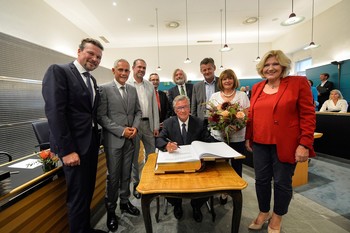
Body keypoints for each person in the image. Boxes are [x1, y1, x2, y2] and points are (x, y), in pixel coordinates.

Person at [245, 50, 316, 233]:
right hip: (260, 143)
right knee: (261, 181)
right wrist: (248, 137)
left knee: (282, 183)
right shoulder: (258, 87)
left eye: (275, 64)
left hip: (285, 144)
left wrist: (304, 144)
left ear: (283, 66)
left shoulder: (297, 83)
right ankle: (263, 212)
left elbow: (308, 115)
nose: (270, 68)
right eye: (266, 65)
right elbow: (252, 115)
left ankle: (277, 216)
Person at [42, 38, 106, 233]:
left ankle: (85, 229)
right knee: (77, 197)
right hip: (74, 148)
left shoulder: (91, 80)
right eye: (91, 53)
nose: (94, 59)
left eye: (98, 57)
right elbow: (55, 113)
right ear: (79, 52)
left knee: (87, 193)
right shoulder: (59, 71)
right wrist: (67, 150)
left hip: (90, 145)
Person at [97, 59, 142, 232]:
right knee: (113, 177)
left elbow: (138, 111)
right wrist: (122, 131)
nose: (124, 73)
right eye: (121, 70)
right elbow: (101, 117)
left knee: (126, 174)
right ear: (113, 70)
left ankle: (124, 202)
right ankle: (111, 211)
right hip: (114, 140)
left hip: (130, 139)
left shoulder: (132, 89)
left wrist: (135, 128)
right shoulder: (104, 89)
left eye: (126, 71)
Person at [156, 95, 213, 223]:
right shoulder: (168, 123)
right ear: (175, 110)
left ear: (189, 108)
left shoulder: (198, 122)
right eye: (179, 108)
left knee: (210, 182)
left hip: (197, 165)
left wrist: (222, 145)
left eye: (185, 107)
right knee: (166, 184)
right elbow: (159, 139)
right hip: (177, 164)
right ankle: (177, 204)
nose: (183, 110)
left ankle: (196, 205)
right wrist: (166, 145)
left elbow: (208, 139)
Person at [209, 69, 250, 204]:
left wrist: (236, 126)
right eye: (224, 79)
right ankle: (223, 191)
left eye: (230, 78)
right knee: (221, 166)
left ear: (234, 80)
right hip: (219, 138)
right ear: (220, 81)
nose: (227, 81)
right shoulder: (214, 96)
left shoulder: (242, 95)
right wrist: (221, 125)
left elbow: (247, 116)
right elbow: (211, 117)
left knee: (237, 165)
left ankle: (235, 191)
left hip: (238, 137)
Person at [127, 59, 159, 199]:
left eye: (144, 67)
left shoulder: (149, 86)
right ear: (133, 68)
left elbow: (154, 108)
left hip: (148, 124)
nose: (141, 69)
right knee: (134, 157)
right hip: (134, 126)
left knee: (151, 155)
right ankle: (136, 183)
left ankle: (150, 181)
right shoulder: (127, 84)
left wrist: (156, 126)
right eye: (139, 67)